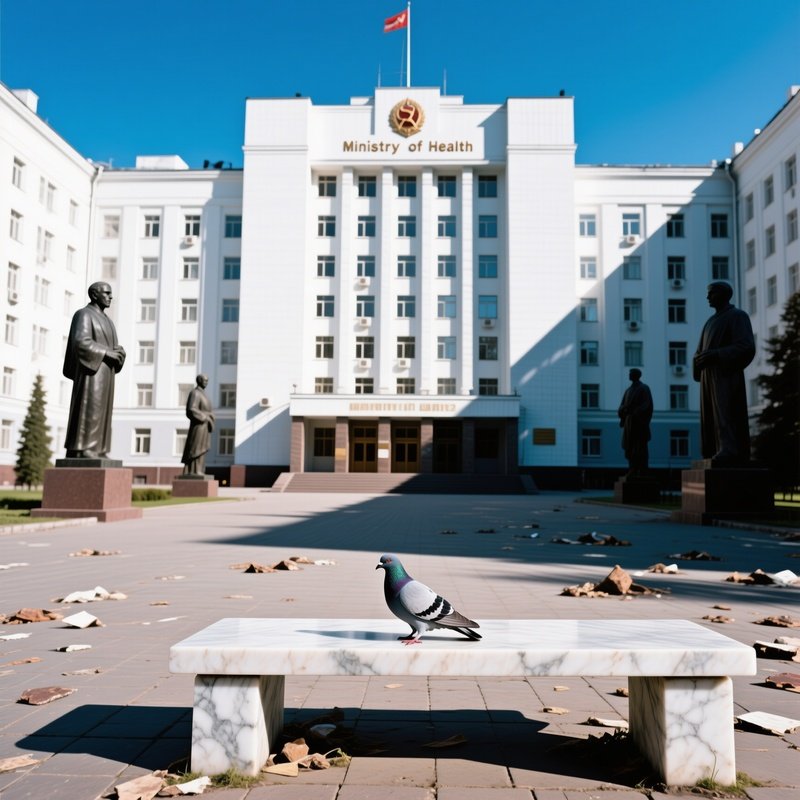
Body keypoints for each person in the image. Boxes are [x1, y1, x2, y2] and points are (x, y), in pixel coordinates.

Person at [693, 281, 755, 465]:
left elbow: (746, 346)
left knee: (725, 411)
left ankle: (729, 449)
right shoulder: (710, 322)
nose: (708, 297)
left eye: (711, 293)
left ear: (723, 294)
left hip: (725, 374)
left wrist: (717, 354)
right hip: (708, 375)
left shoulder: (737, 316)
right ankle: (713, 449)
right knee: (710, 415)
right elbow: (700, 350)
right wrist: (698, 359)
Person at [63, 282, 126, 459]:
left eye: (110, 293)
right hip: (91, 372)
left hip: (106, 373)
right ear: (94, 295)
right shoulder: (83, 314)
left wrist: (119, 352)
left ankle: (98, 448)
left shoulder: (108, 321)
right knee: (90, 408)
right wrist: (106, 353)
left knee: (103, 411)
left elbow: (113, 347)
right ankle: (83, 448)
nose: (110, 297)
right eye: (106, 293)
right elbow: (80, 342)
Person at [617, 368, 653, 475]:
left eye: (631, 374)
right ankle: (632, 468)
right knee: (630, 446)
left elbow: (647, 405)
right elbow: (622, 405)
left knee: (640, 447)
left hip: (639, 424)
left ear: (636, 375)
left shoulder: (644, 388)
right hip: (629, 423)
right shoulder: (628, 390)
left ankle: (642, 469)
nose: (629, 375)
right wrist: (623, 410)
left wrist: (635, 412)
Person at [181, 374, 215, 476]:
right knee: (196, 448)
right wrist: (205, 417)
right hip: (198, 426)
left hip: (204, 427)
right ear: (199, 381)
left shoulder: (203, 394)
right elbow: (191, 409)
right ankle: (193, 471)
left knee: (202, 449)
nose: (206, 383)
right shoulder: (195, 393)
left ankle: (199, 470)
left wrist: (210, 416)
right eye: (205, 380)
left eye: (207, 381)